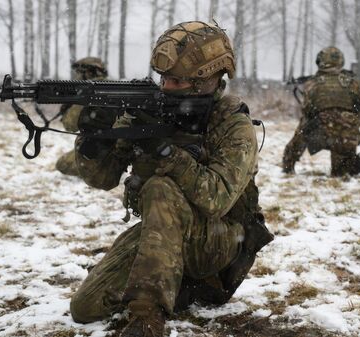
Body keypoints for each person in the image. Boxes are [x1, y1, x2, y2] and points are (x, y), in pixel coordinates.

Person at [69, 21, 273, 337]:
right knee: (85, 308)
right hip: (162, 231)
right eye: (164, 78)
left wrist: (165, 152)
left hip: (218, 244)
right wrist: (96, 140)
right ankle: (175, 286)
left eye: (177, 80)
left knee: (161, 187)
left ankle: (147, 318)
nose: (166, 87)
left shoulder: (233, 124)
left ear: (207, 80)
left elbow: (216, 199)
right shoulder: (150, 110)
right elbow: (103, 178)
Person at [282, 46, 360, 178]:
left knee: (303, 131)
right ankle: (359, 162)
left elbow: (307, 113)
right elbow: (357, 110)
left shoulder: (313, 84)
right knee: (341, 172)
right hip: (348, 135)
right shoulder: (352, 83)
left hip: (324, 132)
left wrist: (290, 155)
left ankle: (288, 166)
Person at [55, 57, 108, 176]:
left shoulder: (89, 93)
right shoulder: (110, 86)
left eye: (79, 73)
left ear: (88, 73)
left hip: (100, 151)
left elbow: (70, 126)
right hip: (119, 148)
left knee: (62, 164)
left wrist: (68, 108)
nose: (76, 77)